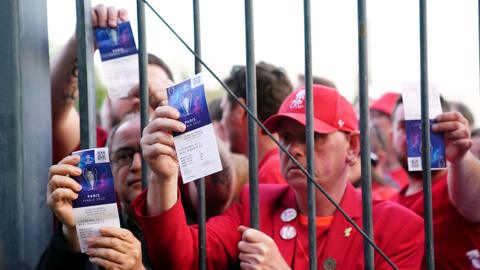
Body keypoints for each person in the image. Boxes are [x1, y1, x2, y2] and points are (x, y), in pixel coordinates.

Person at [132, 85, 425, 269]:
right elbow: (179, 259)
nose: (293, 149)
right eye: (285, 137)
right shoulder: (257, 203)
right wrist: (164, 177)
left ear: (353, 147)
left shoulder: (398, 227)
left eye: (311, 136)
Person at [37, 113, 236, 269]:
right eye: (124, 156)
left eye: (149, 153)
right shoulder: (94, 227)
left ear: (176, 161)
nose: (137, 165)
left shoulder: (194, 228)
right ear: (109, 169)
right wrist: (71, 234)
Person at [50, 5, 173, 163]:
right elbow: (52, 113)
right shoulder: (93, 142)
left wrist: (184, 118)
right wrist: (79, 42)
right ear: (108, 102)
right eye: (128, 90)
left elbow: (214, 169)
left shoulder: (186, 152)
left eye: (153, 92)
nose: (139, 100)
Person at [390, 96, 480, 269]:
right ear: (391, 136)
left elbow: (475, 200)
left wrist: (460, 157)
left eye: (427, 126)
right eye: (404, 126)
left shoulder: (457, 184)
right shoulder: (390, 204)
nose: (415, 135)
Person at [220, 62, 293, 184]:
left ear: (240, 109)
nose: (222, 123)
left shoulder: (271, 173)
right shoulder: (276, 166)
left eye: (224, 110)